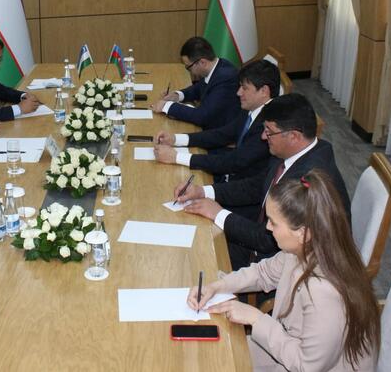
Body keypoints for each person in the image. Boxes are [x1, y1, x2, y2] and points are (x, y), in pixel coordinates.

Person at [188, 171, 379, 371]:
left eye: (274, 222)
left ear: (303, 233)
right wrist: (216, 287)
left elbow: (306, 366)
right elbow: (262, 273)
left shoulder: (324, 291)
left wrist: (256, 318)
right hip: (286, 345)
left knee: (218, 359)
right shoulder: (302, 249)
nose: (268, 227)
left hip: (303, 363)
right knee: (213, 355)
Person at [172, 93, 349, 270]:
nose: (264, 137)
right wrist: (204, 191)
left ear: (294, 136)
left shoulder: (305, 182)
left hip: (287, 265)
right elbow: (256, 186)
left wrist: (218, 213)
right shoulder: (295, 152)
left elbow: (267, 240)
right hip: (264, 237)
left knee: (194, 258)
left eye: (269, 131)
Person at [153, 59, 278, 182]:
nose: (238, 93)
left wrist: (176, 157)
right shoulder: (253, 108)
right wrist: (175, 139)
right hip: (231, 171)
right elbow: (223, 134)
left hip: (238, 184)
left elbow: (233, 162)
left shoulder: (270, 126)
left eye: (244, 88)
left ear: (264, 91)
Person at [150, 36, 239, 129]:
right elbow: (198, 88)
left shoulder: (226, 79)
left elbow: (203, 116)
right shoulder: (216, 67)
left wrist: (168, 106)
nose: (189, 71)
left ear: (202, 62)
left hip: (220, 132)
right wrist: (177, 95)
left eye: (188, 67)